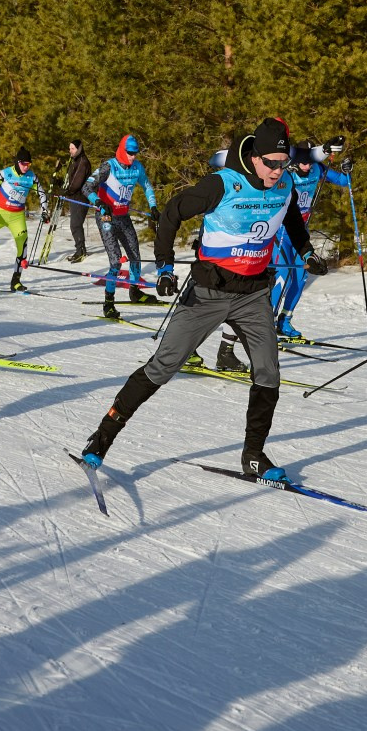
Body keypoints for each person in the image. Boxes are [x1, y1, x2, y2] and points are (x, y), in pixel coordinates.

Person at [78, 118, 323, 482]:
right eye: (270, 163)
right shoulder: (222, 184)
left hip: (254, 293)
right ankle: (101, 438)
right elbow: (172, 213)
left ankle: (253, 456)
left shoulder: (285, 183)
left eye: (282, 163)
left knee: (269, 373)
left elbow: (291, 220)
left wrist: (306, 251)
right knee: (163, 366)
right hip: (208, 292)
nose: (277, 171)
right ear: (254, 157)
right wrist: (163, 266)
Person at [269, 138, 352, 339]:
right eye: (303, 161)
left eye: (310, 161)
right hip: (280, 232)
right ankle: (267, 324)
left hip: (299, 235)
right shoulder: (285, 173)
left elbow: (343, 181)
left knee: (301, 277)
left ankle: (284, 321)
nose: (307, 165)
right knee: (282, 276)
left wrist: (348, 169)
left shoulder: (318, 169)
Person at [81, 134, 159, 322]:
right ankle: (108, 302)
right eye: (130, 153)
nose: (133, 157)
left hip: (123, 216)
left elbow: (147, 186)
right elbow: (86, 188)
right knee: (116, 262)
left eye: (135, 153)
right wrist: (99, 202)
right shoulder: (109, 166)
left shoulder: (137, 167)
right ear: (122, 150)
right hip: (106, 216)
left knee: (135, 255)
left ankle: (135, 291)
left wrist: (153, 206)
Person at [0, 147, 39, 292]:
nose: (26, 167)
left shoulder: (31, 177)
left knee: (22, 247)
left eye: (29, 164)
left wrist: (45, 210)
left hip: (17, 217)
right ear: (18, 162)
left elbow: (42, 194)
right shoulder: (5, 174)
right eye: (24, 164)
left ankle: (16, 281)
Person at [58, 139, 93, 262]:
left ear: (79, 149)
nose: (70, 151)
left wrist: (67, 191)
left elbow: (77, 182)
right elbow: (70, 179)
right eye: (70, 149)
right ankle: (80, 250)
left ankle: (81, 251)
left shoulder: (82, 162)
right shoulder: (75, 161)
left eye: (72, 148)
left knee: (75, 225)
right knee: (75, 225)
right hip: (75, 196)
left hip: (81, 197)